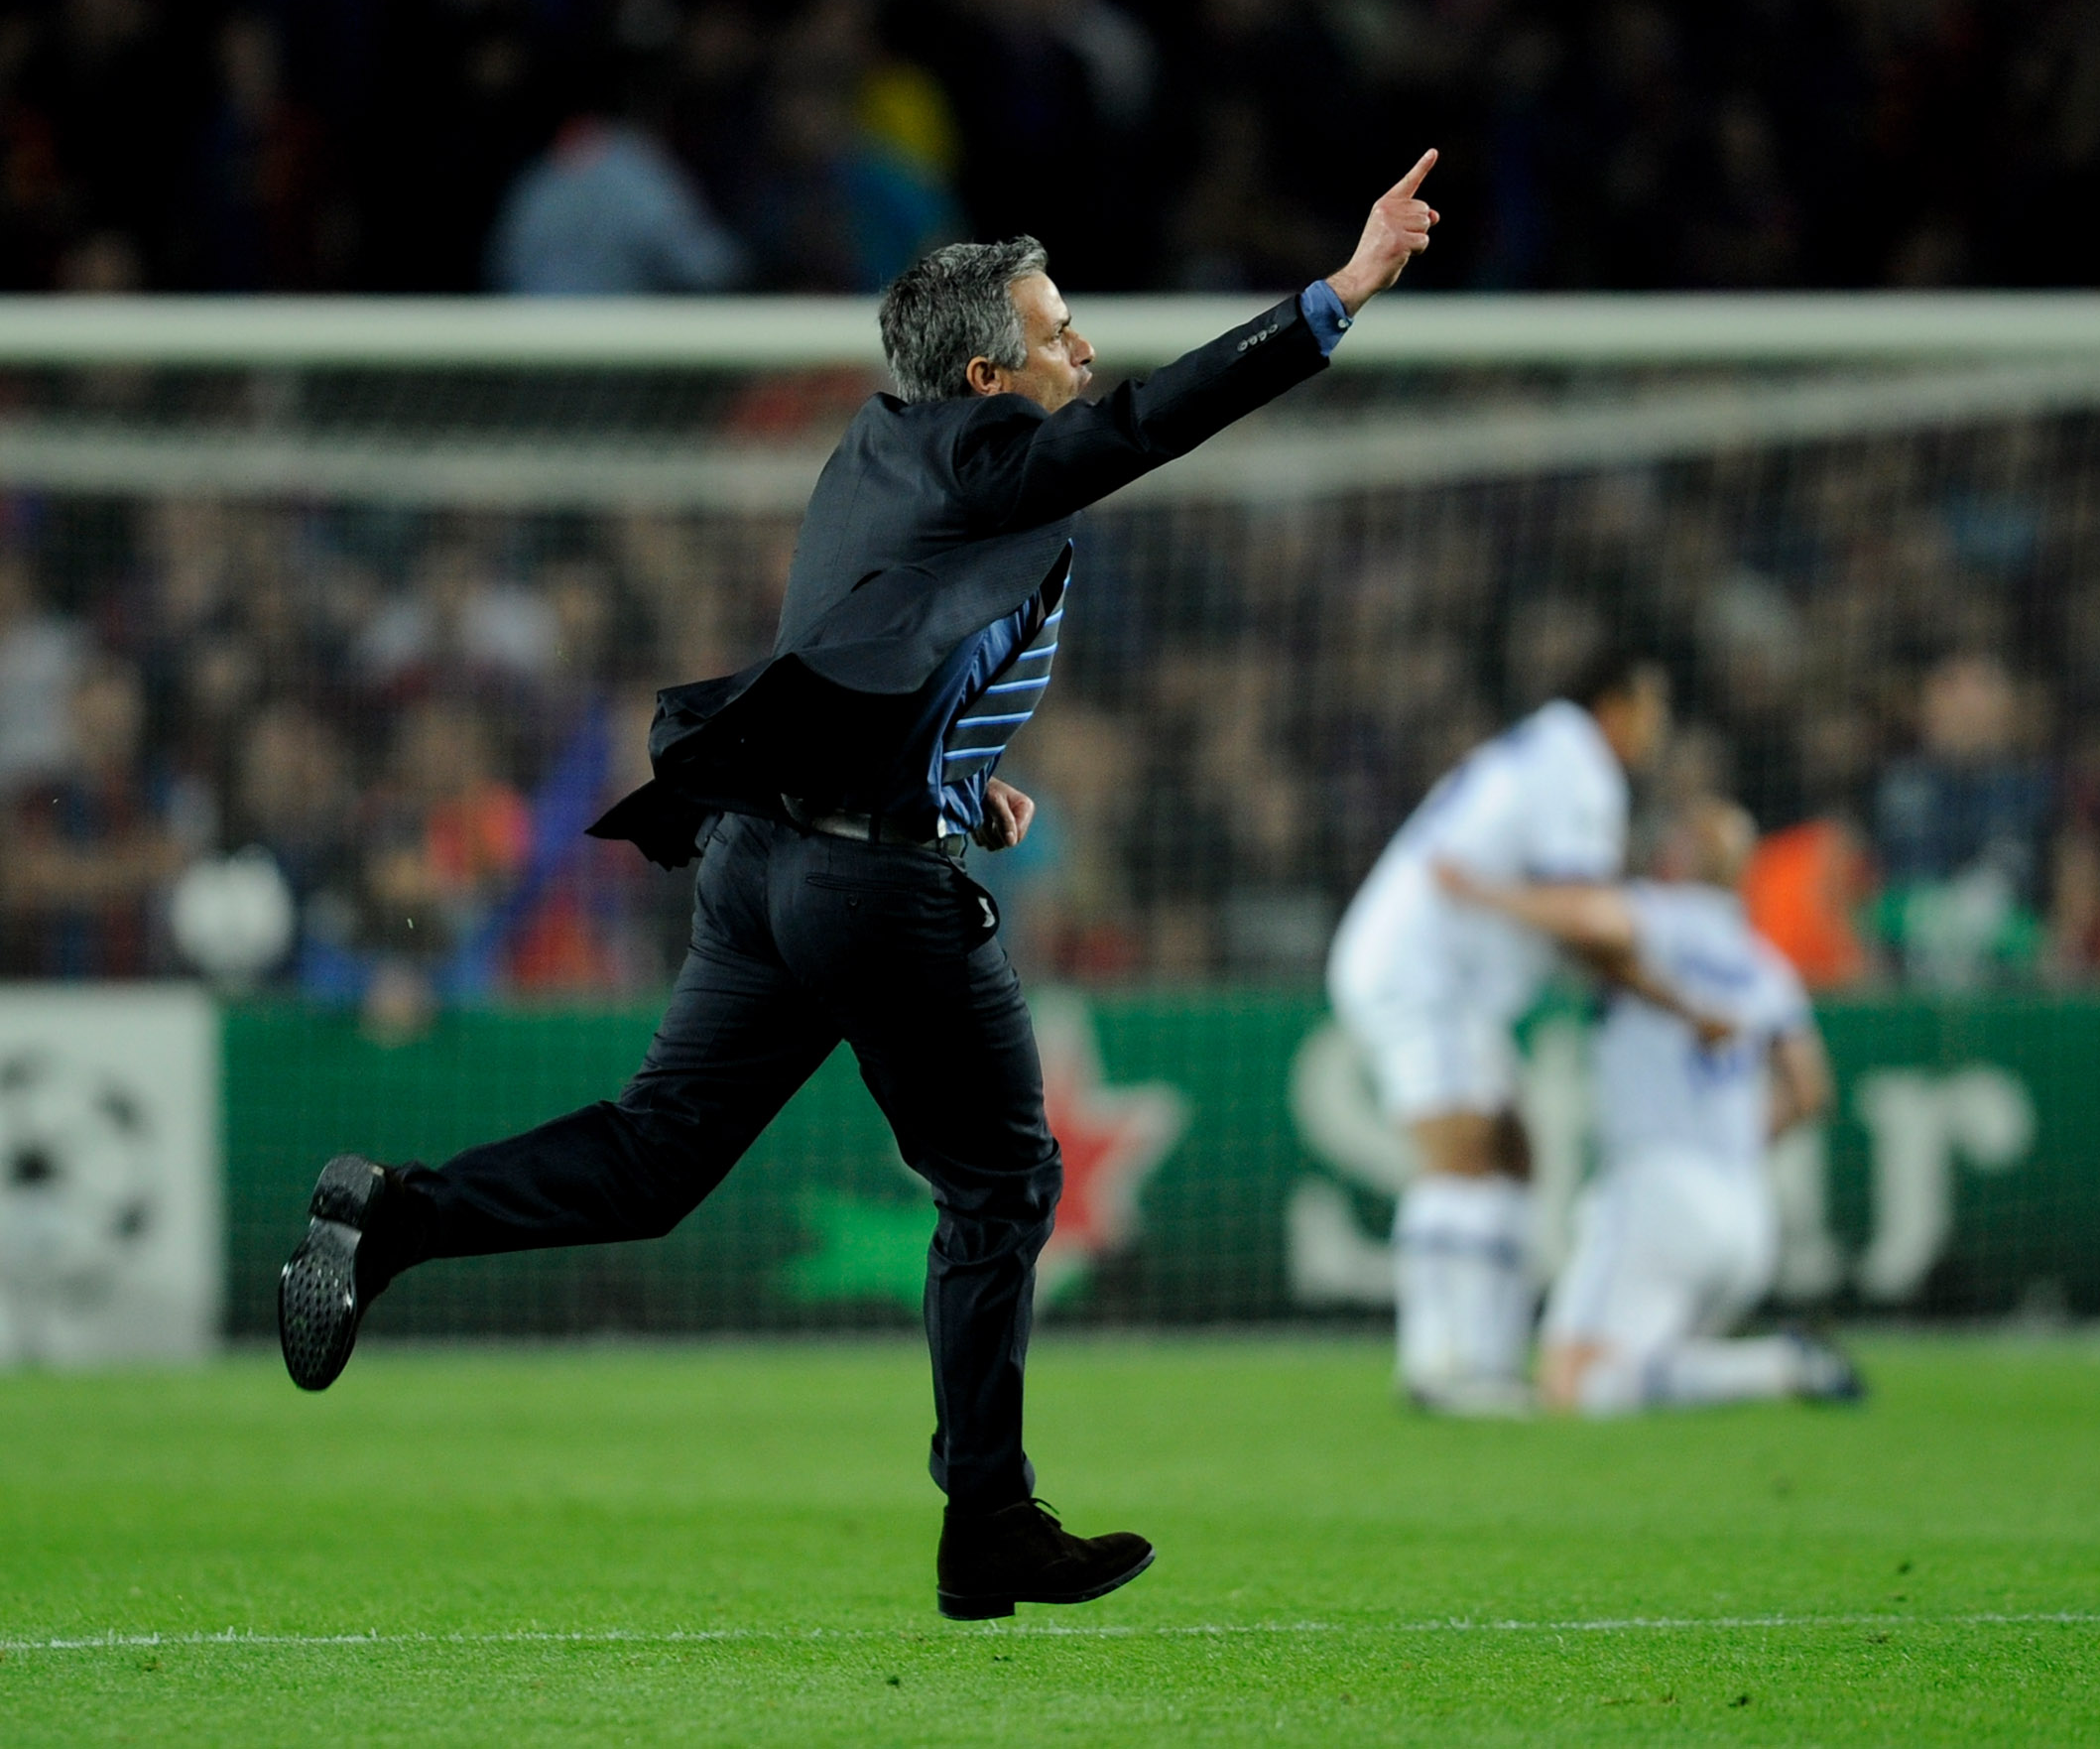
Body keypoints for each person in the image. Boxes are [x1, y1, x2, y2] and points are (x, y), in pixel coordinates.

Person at [276, 153, 1447, 1620]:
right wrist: (1332, 298)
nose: (1082, 348)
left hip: (764, 858)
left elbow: (868, 646)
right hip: (865, 887)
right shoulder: (984, 452)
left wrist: (955, 778)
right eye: (1056, 327)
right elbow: (1148, 425)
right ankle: (990, 1519)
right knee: (1003, 1178)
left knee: (655, 1159)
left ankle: (393, 1217)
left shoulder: (878, 449)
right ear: (984, 371)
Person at [1326, 652, 1672, 1415]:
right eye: (1653, 707)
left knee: (1514, 1152)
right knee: (1462, 1155)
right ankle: (1439, 1366)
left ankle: (1485, 1357)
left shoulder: (1544, 750)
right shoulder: (1578, 765)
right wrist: (1661, 985)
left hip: (1450, 984)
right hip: (1424, 974)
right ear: (1613, 703)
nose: (1659, 728)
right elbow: (1582, 914)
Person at [1438, 800, 1857, 1416]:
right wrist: (1734, 1141)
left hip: (1658, 1191)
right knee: (1642, 1370)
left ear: (1680, 859)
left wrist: (1485, 895)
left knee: (1575, 1383)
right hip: (1744, 1209)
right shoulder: (1763, 966)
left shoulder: (1656, 917)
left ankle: (1772, 1367)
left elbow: (1585, 919)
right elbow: (1810, 1091)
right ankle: (1777, 1365)